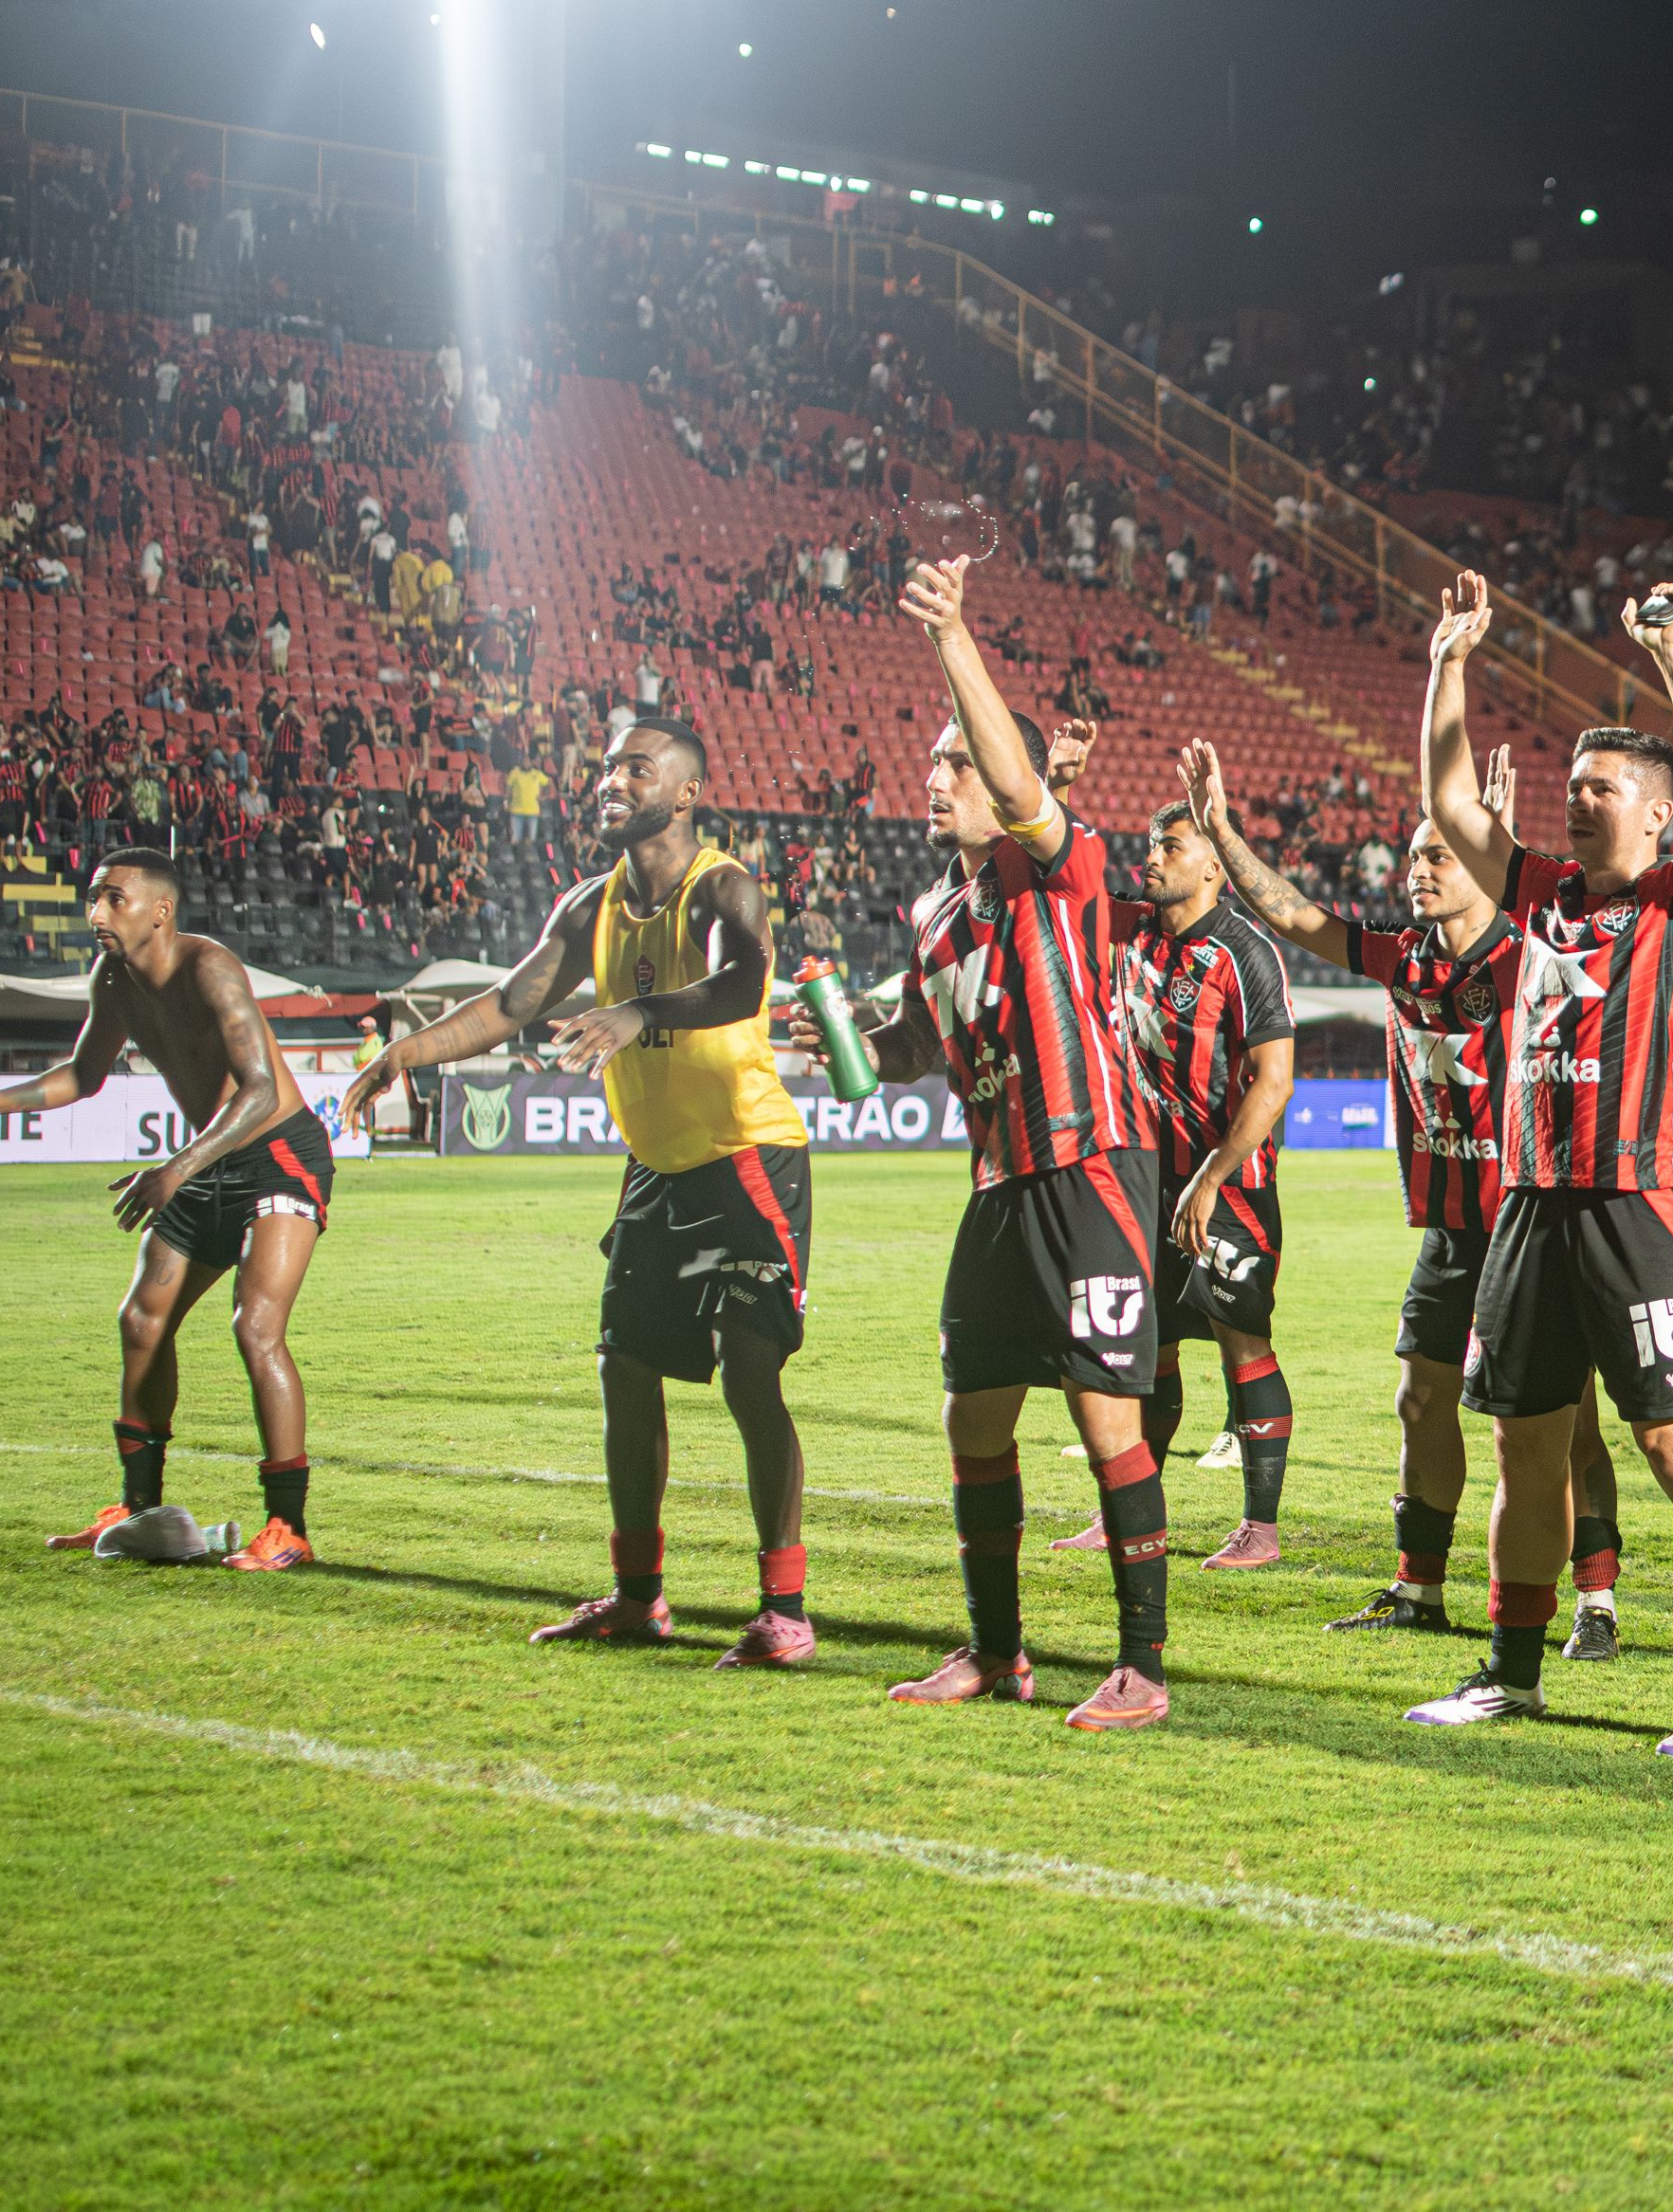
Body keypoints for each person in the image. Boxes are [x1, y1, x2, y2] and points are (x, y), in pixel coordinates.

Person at [349, 719, 819, 1665]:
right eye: (607, 767)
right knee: (624, 1367)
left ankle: (785, 1608)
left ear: (685, 792)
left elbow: (743, 983)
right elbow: (509, 1002)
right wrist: (409, 1049)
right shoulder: (588, 905)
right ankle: (640, 1596)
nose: (611, 781)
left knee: (748, 1372)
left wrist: (638, 1010)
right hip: (655, 1167)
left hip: (747, 1156)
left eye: (635, 768)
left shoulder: (722, 885)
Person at [1398, 572, 1673, 1758]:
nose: (1574, 799)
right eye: (1569, 785)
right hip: (1528, 1208)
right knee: (1525, 1446)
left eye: (1600, 787)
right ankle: (1512, 1672)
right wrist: (1448, 660)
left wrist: (1672, 653)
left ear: (1655, 814)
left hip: (1636, 1207)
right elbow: (1447, 796)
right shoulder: (1539, 892)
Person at [812, 558, 1178, 1728]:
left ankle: (1142, 1664)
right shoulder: (931, 913)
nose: (937, 777)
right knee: (971, 1415)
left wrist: (953, 637)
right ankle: (995, 1649)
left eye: (956, 762)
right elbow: (920, 1045)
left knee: (1104, 1419)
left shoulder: (1055, 861)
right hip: (999, 1181)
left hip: (1089, 1167)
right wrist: (857, 1040)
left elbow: (1021, 782)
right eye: (932, 763)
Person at [1183, 738, 1632, 1654]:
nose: (1417, 869)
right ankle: (1419, 1588)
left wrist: (1501, 841)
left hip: (1531, 1224)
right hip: (1451, 1232)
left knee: (1567, 1422)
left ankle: (1596, 1600)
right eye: (1416, 855)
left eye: (1440, 854)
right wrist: (1223, 833)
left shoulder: (1533, 955)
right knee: (1421, 1403)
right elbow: (1296, 914)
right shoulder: (1401, 958)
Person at [3, 849, 332, 1570]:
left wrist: (176, 1168)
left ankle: (288, 1528)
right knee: (141, 1321)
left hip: (277, 1152)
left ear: (161, 909)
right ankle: (139, 1510)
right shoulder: (112, 977)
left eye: (112, 898)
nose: (96, 912)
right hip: (208, 1158)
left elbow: (257, 1091)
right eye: (93, 898)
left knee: (256, 1326)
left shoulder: (209, 967)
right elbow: (83, 1076)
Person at [1094, 798, 1302, 1570]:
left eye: (1172, 846)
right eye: (1152, 844)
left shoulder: (1245, 953)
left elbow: (1274, 1081)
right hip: (1143, 1181)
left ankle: (1260, 1528)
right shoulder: (1132, 929)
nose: (1152, 857)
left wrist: (1212, 1176)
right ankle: (1128, 1513)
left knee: (1242, 1342)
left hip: (1229, 1185)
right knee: (1145, 1346)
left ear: (1215, 865)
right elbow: (1059, 878)